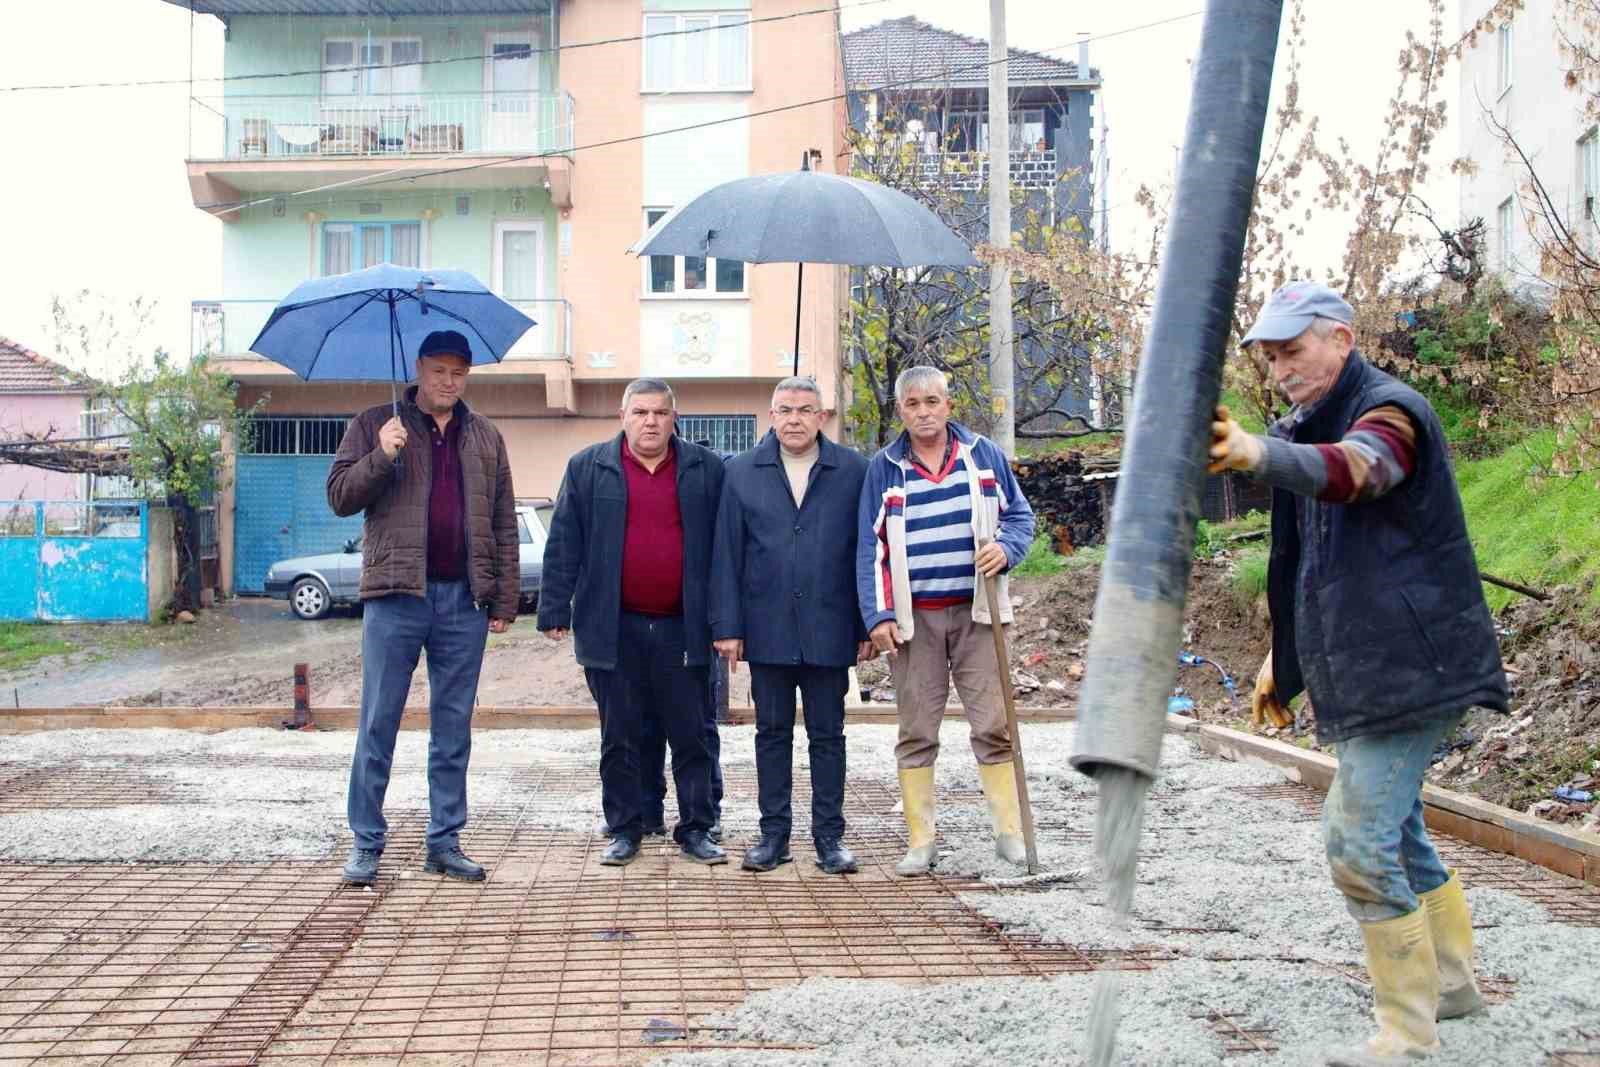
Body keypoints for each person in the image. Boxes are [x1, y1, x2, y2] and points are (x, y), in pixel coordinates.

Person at [1209, 280, 1509, 1066]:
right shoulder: (1310, 421)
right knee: (1398, 829)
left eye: (1293, 351)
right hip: (1367, 666)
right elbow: (1307, 565)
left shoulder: (1391, 411)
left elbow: (1358, 471)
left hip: (1414, 665)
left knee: (1356, 838)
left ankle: (1406, 1034)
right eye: (1270, 357)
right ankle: (1452, 985)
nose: (1279, 370)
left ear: (1341, 338)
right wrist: (1288, 655)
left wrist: (1257, 453)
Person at [327, 329, 519, 886]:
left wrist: (502, 597)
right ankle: (366, 843)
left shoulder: (485, 437)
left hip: (465, 600)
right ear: (418, 369)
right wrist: (381, 456)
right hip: (396, 596)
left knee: (453, 727)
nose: (449, 382)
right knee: (378, 721)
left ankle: (444, 840)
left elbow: (503, 520)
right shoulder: (374, 424)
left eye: (459, 372)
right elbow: (339, 496)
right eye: (439, 371)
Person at [538, 378, 726, 867]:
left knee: (692, 733)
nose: (650, 422)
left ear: (674, 418)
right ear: (623, 416)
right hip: (612, 626)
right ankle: (627, 826)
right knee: (619, 735)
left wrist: (728, 619)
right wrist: (554, 608)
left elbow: (728, 548)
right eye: (640, 412)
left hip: (684, 628)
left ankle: (698, 827)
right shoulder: (588, 468)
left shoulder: (705, 468)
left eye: (660, 413)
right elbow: (564, 543)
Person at [855, 366, 1036, 877]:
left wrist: (1006, 548)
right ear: (901, 411)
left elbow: (1020, 517)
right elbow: (871, 548)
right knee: (916, 729)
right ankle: (921, 841)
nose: (924, 411)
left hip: (980, 617)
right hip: (917, 623)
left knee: (994, 724)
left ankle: (1010, 834)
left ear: (949, 406)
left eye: (932, 401)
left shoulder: (983, 456)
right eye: (913, 403)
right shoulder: (885, 468)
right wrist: (879, 615)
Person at [710, 377, 871, 875]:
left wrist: (868, 623)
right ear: (771, 416)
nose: (795, 419)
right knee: (771, 734)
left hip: (831, 625)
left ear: (822, 417)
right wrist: (728, 627)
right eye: (785, 410)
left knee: (829, 736)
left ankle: (829, 838)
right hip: (767, 628)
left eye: (805, 409)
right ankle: (773, 835)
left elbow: (866, 550)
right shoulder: (740, 473)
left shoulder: (853, 470)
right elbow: (726, 555)